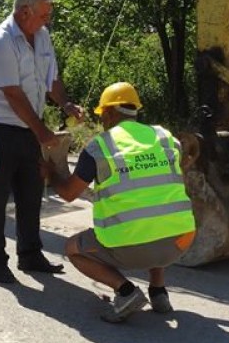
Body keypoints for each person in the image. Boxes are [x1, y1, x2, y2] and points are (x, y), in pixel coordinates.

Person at [44, 81, 196, 323]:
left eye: (103, 115)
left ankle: (125, 292)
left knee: (73, 248)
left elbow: (69, 194)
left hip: (130, 247)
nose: (103, 121)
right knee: (155, 214)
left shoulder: (100, 147)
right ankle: (158, 292)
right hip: (180, 242)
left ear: (111, 112)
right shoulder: (165, 138)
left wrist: (50, 172)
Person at [0, 0, 84, 283]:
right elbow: (12, 93)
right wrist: (42, 132)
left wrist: (65, 104)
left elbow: (51, 77)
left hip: (28, 127)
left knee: (31, 194)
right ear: (24, 12)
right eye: (43, 15)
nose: (46, 21)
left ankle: (30, 254)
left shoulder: (42, 36)